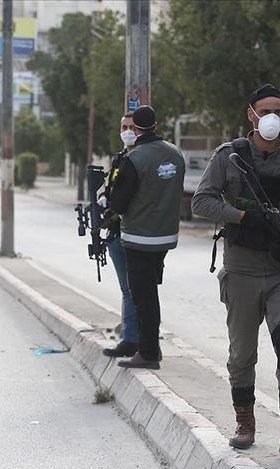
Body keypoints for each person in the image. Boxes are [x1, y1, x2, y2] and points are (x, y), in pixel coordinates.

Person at [191, 84, 280, 454]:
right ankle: (245, 421)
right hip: (242, 270)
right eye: (265, 110)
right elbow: (201, 202)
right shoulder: (229, 155)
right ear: (251, 114)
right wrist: (242, 217)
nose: (272, 117)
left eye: (278, 111)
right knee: (242, 354)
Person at [110, 105, 186, 370]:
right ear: (155, 124)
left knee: (144, 298)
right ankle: (151, 347)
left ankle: (148, 353)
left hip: (139, 238)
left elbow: (118, 203)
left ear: (136, 128)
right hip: (165, 236)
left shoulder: (134, 159)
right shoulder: (175, 153)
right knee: (150, 293)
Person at [102, 113, 141, 358]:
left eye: (132, 127)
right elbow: (110, 189)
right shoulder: (119, 159)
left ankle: (132, 339)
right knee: (127, 290)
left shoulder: (141, 159)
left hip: (134, 233)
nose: (127, 131)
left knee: (133, 289)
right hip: (115, 233)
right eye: (124, 127)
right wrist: (102, 198)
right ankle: (130, 337)